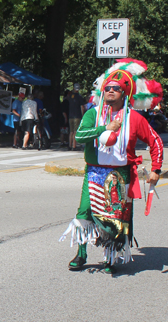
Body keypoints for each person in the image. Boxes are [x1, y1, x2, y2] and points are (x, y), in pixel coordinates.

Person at [60, 58, 163, 274]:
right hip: (94, 173)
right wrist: (103, 128)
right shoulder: (92, 114)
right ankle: (81, 254)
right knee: (84, 213)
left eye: (116, 88)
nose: (111, 91)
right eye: (108, 88)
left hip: (122, 174)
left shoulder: (134, 118)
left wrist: (156, 169)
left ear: (124, 93)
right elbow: (79, 136)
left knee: (117, 218)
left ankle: (110, 257)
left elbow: (155, 141)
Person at [67, 83, 85, 150]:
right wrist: (83, 115)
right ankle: (74, 146)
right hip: (77, 115)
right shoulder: (79, 97)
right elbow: (82, 107)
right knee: (75, 131)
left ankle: (69, 145)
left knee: (71, 132)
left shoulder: (70, 96)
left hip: (70, 116)